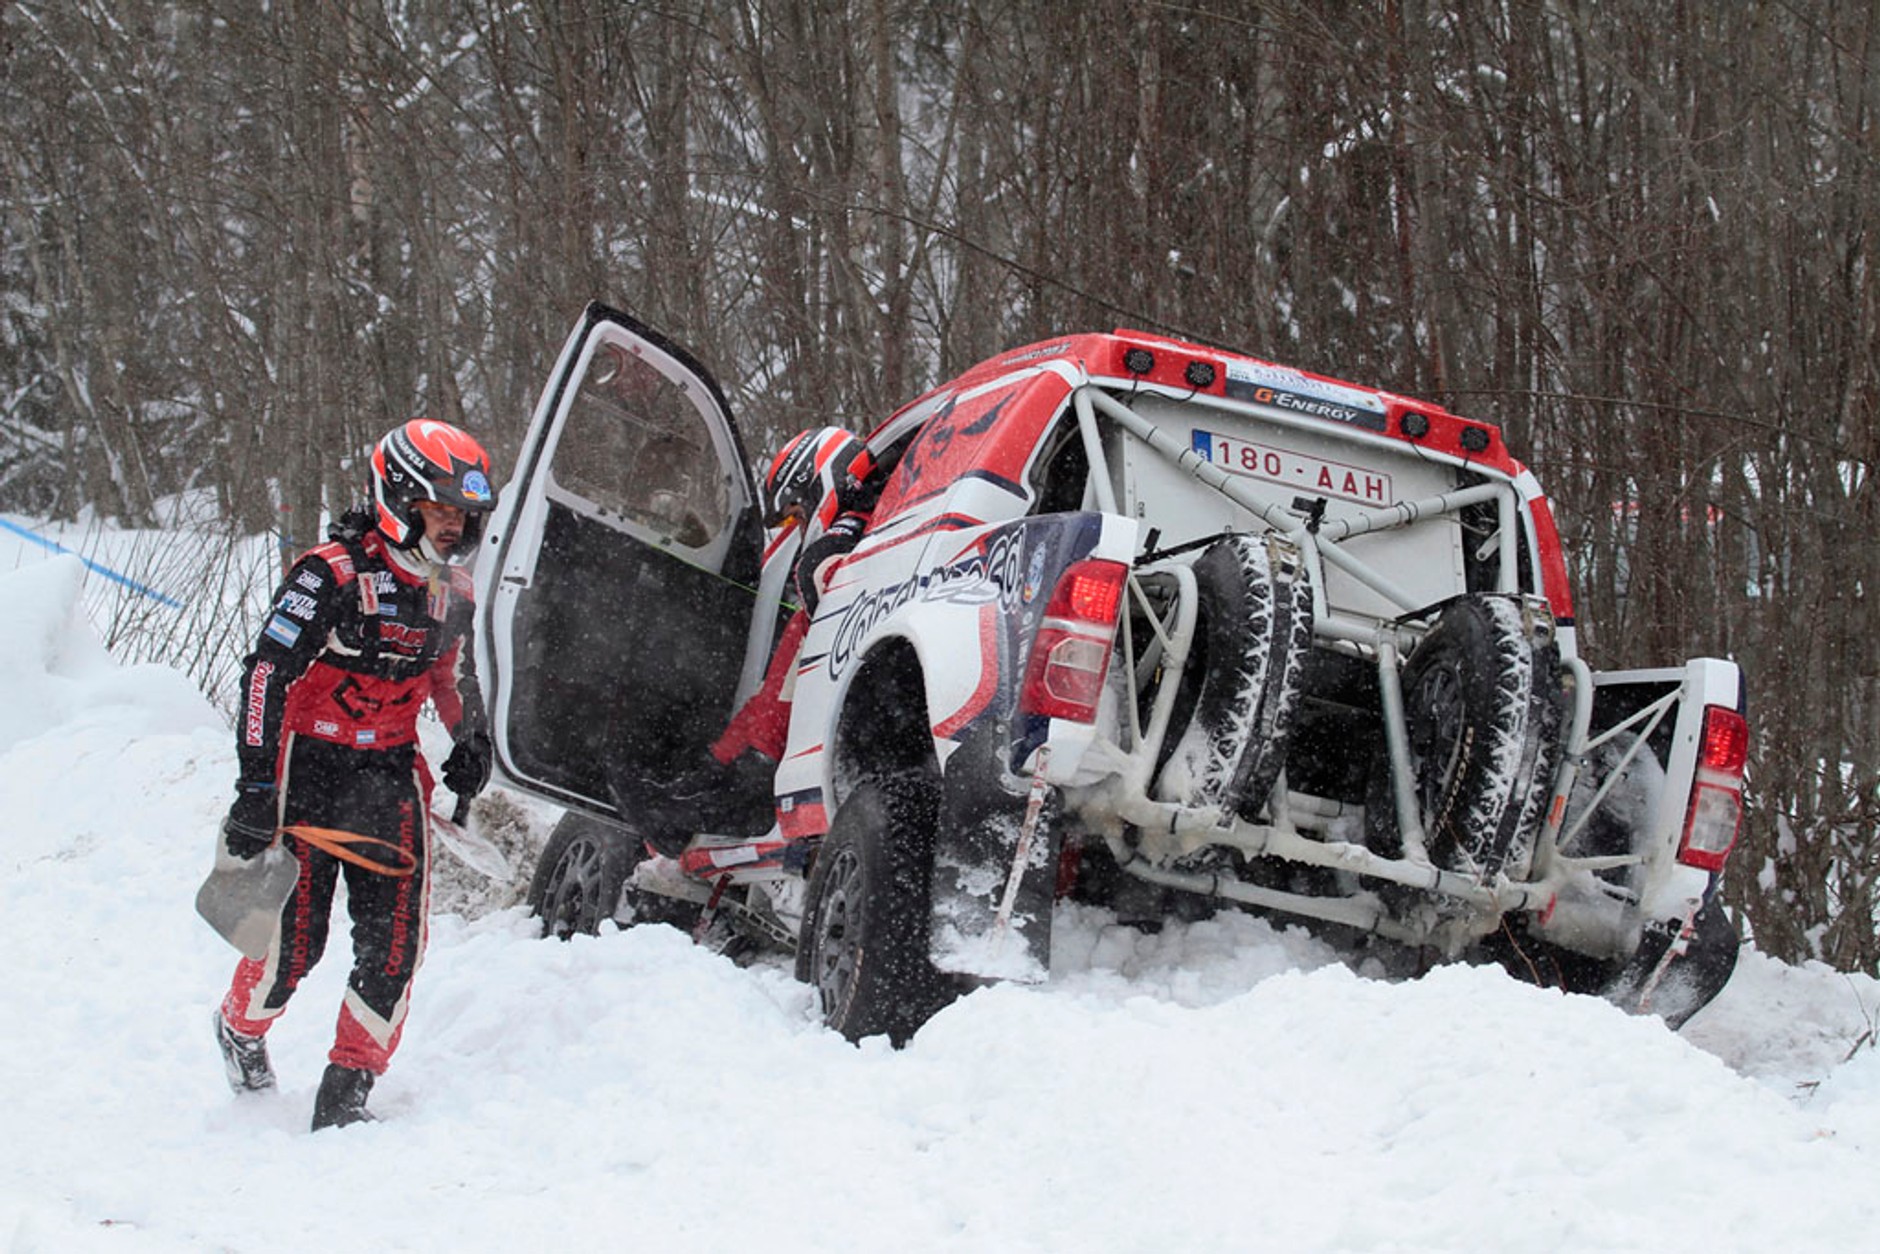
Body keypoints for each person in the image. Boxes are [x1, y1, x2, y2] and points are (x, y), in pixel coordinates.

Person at [211, 418, 499, 1131]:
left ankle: (346, 1091)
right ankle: (239, 1028)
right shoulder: (329, 572)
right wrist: (253, 787)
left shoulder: (453, 588)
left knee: (395, 946)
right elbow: (266, 675)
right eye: (438, 510)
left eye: (462, 516)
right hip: (306, 768)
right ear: (397, 497)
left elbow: (446, 676)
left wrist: (469, 735)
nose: (451, 527)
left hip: (389, 774)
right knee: (291, 951)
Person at [630, 426, 874, 853]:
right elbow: (773, 694)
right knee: (670, 805)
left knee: (673, 814)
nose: (799, 530)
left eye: (797, 514)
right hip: (790, 754)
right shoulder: (836, 557)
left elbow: (785, 699)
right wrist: (715, 762)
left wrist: (748, 764)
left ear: (817, 485)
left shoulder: (844, 551)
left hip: (809, 759)